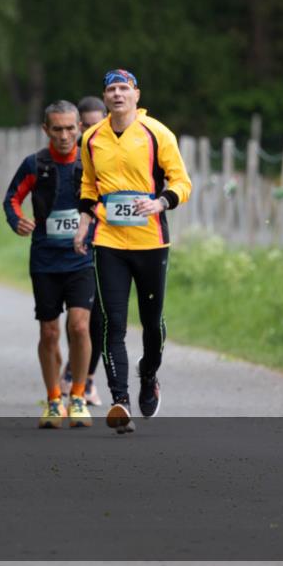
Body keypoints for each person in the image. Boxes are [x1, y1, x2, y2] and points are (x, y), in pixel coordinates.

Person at [73, 69, 192, 433]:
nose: (118, 94)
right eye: (111, 89)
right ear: (105, 97)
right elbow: (88, 185)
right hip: (108, 242)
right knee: (112, 323)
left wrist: (160, 203)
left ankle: (149, 375)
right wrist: (84, 223)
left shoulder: (158, 134)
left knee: (152, 322)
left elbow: (182, 182)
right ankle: (120, 400)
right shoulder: (92, 137)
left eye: (124, 88)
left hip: (151, 241)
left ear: (136, 95)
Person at [4, 100, 95, 429]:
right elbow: (12, 197)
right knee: (49, 331)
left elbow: (103, 201)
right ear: (46, 130)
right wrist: (17, 221)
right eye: (57, 128)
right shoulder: (36, 164)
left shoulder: (89, 164)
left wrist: (94, 228)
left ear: (80, 128)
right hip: (44, 259)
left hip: (82, 257)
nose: (65, 135)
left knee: (80, 326)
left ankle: (79, 396)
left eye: (71, 128)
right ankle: (55, 399)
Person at [60, 95, 111, 405]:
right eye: (86, 126)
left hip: (109, 244)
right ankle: (75, 368)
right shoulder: (71, 159)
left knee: (101, 316)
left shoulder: (113, 157)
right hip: (76, 247)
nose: (91, 130)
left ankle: (88, 377)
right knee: (77, 317)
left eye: (97, 124)